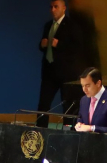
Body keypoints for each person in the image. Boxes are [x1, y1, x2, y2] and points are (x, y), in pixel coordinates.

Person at [37, 0, 83, 128]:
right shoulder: (48, 26)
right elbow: (43, 46)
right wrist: (42, 45)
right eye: (51, 7)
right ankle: (40, 130)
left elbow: (78, 47)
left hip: (66, 73)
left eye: (56, 7)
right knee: (43, 104)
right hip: (49, 72)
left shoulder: (71, 25)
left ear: (63, 8)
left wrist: (59, 45)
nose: (52, 10)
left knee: (67, 105)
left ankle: (67, 131)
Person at [75, 67, 107, 134]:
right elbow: (81, 118)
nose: (84, 89)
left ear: (98, 83)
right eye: (82, 86)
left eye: (87, 85)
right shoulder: (84, 100)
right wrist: (79, 124)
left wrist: (91, 128)